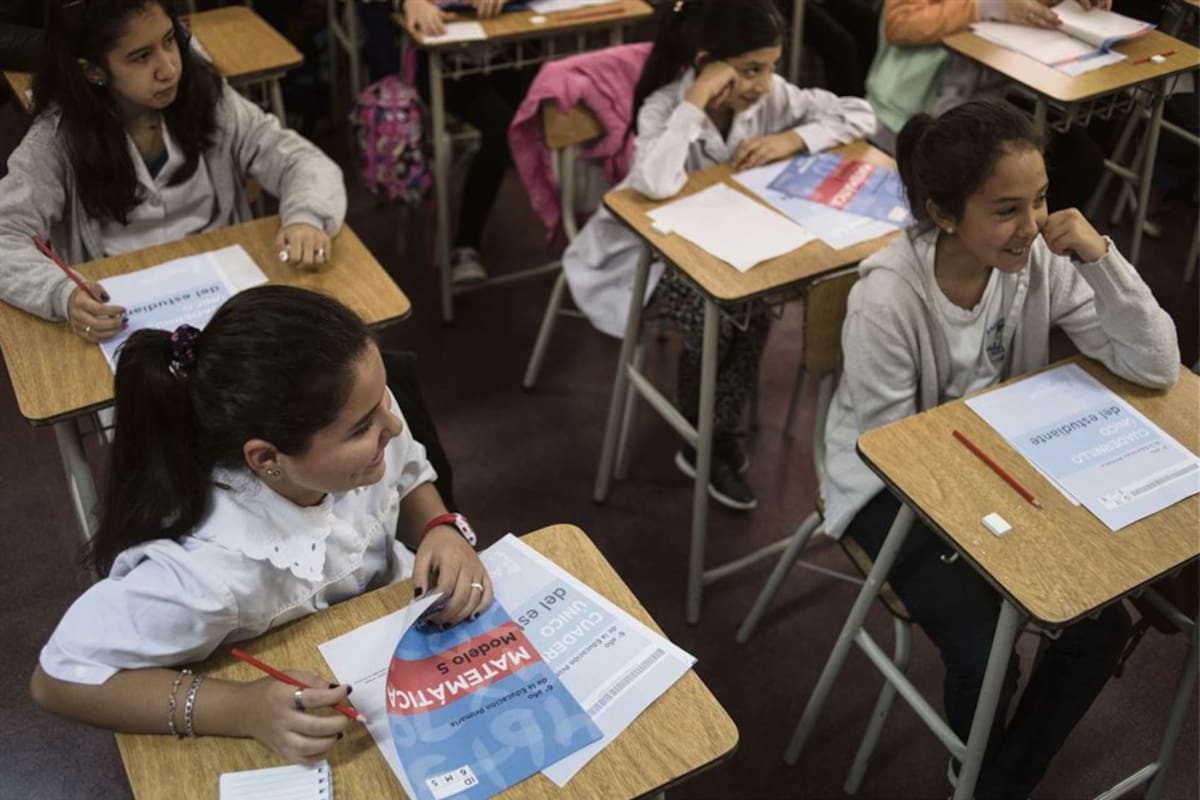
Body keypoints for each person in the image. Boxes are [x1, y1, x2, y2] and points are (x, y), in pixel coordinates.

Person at [820, 99, 1179, 799]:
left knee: (1098, 629)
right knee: (985, 650)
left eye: (1041, 199)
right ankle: (988, 770)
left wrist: (1102, 259)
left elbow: (1156, 365)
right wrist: (1015, 520)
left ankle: (994, 781)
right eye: (1007, 209)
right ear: (945, 213)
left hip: (1003, 469)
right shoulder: (886, 299)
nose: (1033, 224)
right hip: (888, 487)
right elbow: (895, 456)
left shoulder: (1038, 261)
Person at [30, 286, 492, 765]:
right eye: (362, 428)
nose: (392, 426)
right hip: (315, 703)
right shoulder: (210, 572)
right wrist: (239, 708)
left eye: (384, 400)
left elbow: (407, 471)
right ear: (267, 459)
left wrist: (440, 527)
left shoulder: (364, 420)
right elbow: (58, 678)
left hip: (390, 640)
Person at [562, 0, 875, 511]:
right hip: (651, 258)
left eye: (771, 66)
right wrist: (695, 101)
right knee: (724, 315)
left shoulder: (772, 97)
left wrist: (792, 138)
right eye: (751, 69)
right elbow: (655, 180)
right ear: (707, 62)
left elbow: (861, 113)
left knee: (751, 308)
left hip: (731, 246)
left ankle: (708, 432)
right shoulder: (665, 106)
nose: (764, 83)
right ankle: (707, 436)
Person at [0, 0, 346, 341]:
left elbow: (301, 161)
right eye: (141, 57)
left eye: (169, 40)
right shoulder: (57, 139)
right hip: (123, 307)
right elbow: (5, 235)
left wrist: (306, 217)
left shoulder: (208, 98)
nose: (168, 69)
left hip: (222, 286)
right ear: (94, 71)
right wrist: (61, 293)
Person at [363, 0, 533, 285]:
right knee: (501, 131)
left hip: (506, 49)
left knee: (546, 111)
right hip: (443, 62)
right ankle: (466, 245)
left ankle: (578, 232)